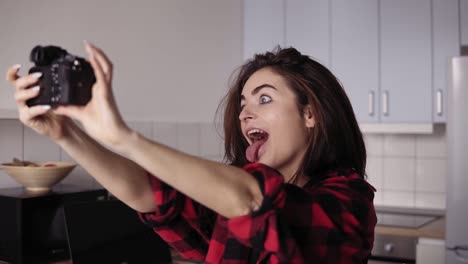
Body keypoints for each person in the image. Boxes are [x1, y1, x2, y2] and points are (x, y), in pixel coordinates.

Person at [6, 43, 376, 263]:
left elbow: (251, 199)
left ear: (310, 113)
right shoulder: (230, 190)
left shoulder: (349, 199)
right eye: (243, 102)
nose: (245, 112)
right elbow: (150, 195)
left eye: (264, 98)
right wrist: (67, 134)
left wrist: (124, 137)